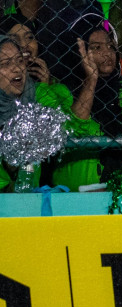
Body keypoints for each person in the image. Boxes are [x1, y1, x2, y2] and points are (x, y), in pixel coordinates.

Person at [0, 33, 74, 192]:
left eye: (20, 61)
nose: (17, 68)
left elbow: (68, 126)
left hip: (30, 197)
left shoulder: (36, 96)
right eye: (6, 64)